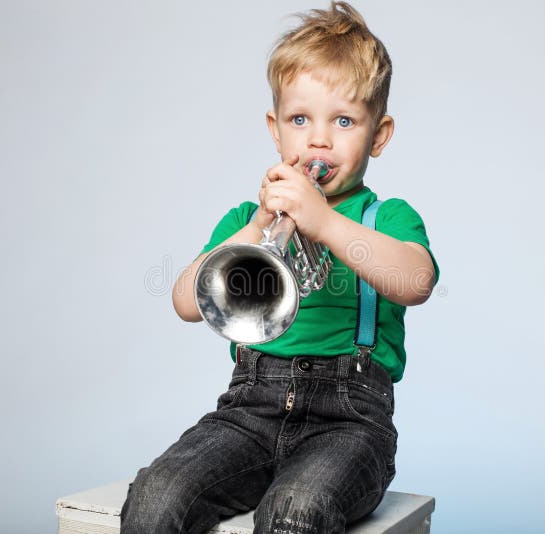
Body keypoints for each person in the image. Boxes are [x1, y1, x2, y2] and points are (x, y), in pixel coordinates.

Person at [120, 2, 439, 532]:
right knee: (156, 494)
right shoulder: (249, 218)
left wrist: (325, 223)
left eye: (343, 120)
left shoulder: (386, 217)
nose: (319, 139)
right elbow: (184, 302)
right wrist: (260, 225)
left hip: (349, 424)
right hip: (248, 411)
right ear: (275, 130)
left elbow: (416, 282)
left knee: (295, 511)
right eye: (299, 119)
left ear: (378, 135)